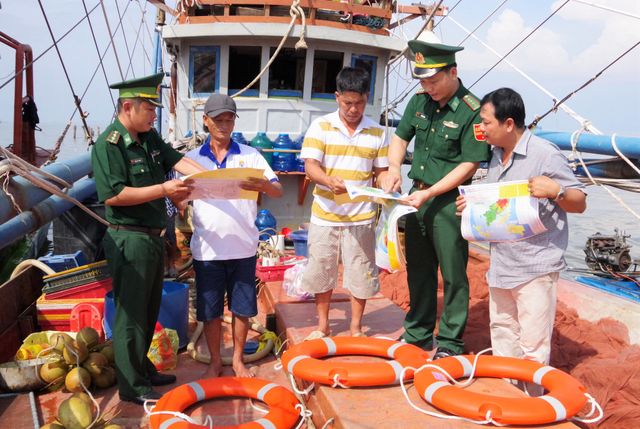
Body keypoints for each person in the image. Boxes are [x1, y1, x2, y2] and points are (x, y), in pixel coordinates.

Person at [456, 88, 586, 393]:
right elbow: (499, 207)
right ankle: (507, 400)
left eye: (486, 122)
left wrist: (557, 191)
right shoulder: (494, 157)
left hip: (536, 267)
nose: (482, 128)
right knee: (502, 337)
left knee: (533, 346)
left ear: (509, 123)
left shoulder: (545, 153)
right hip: (502, 265)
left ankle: (531, 407)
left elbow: (579, 202)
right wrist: (471, 207)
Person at [91, 73, 206, 405]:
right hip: (129, 240)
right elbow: (114, 196)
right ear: (128, 107)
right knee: (131, 314)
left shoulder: (149, 136)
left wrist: (213, 176)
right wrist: (164, 189)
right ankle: (131, 385)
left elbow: (178, 161)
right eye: (149, 109)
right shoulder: (108, 145)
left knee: (149, 308)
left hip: (155, 240)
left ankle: (143, 368)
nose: (154, 115)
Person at [380, 36, 491, 359]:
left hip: (450, 203)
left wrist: (429, 192)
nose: (429, 87)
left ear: (453, 72)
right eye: (424, 81)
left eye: (434, 80)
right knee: (419, 268)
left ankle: (450, 342)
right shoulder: (420, 102)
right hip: (417, 198)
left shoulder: (472, 110)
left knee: (454, 274)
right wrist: (393, 168)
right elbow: (400, 138)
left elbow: (470, 162)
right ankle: (417, 333)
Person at [186, 93, 283, 378]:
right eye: (218, 120)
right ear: (206, 121)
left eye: (229, 119)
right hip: (207, 250)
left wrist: (263, 184)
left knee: (243, 309)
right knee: (210, 311)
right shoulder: (191, 160)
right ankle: (217, 360)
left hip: (243, 247)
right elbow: (176, 197)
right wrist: (179, 200)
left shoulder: (250, 156)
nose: (224, 125)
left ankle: (238, 359)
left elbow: (277, 190)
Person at [300, 67, 389, 339]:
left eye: (359, 103)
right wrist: (327, 181)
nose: (353, 109)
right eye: (348, 103)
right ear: (337, 97)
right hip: (325, 214)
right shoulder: (321, 126)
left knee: (361, 272)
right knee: (321, 270)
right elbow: (310, 167)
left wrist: (389, 185)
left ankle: (356, 327)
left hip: (361, 216)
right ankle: (323, 325)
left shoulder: (377, 131)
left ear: (367, 98)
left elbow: (381, 171)